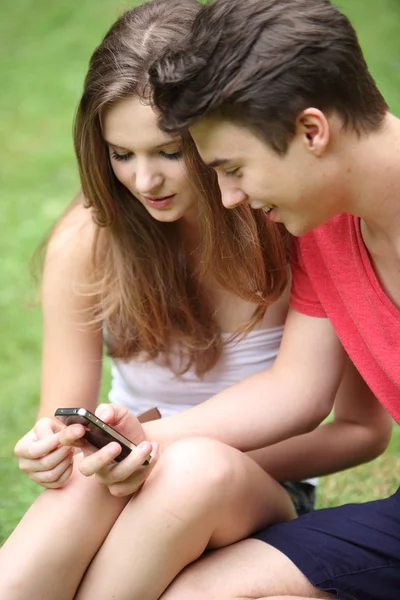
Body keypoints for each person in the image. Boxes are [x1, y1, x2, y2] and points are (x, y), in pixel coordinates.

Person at [0, 1, 391, 599]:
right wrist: (61, 451)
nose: (144, 182)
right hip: (130, 475)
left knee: (191, 469)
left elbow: (344, 420)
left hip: (242, 480)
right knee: (99, 480)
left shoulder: (298, 222)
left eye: (170, 153)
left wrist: (162, 445)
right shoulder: (89, 242)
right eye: (120, 154)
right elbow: (66, 426)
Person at [116, 0, 400, 598]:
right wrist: (141, 443)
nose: (226, 198)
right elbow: (295, 389)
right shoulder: (321, 226)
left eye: (234, 168)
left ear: (311, 130)